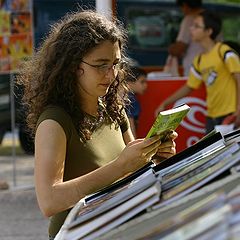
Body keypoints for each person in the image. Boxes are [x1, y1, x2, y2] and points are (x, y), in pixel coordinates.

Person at [16, 10, 177, 239]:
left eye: (116, 63)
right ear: (73, 65)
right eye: (101, 65)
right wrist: (121, 166)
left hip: (119, 227)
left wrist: (155, 157)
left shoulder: (114, 108)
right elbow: (49, 201)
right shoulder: (55, 120)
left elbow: (132, 174)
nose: (111, 74)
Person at [155, 10, 240, 134]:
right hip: (211, 116)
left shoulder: (225, 52)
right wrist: (165, 103)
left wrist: (239, 109)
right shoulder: (199, 60)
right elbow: (190, 86)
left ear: (208, 31)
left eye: (196, 26)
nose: (191, 29)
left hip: (230, 115)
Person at [168, 0, 204, 75]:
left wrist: (172, 48)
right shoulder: (213, 19)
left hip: (193, 69)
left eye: (196, 26)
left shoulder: (190, 19)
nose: (192, 29)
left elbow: (179, 48)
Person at [126, 66, 148, 138]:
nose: (146, 85)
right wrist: (133, 141)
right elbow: (130, 122)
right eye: (142, 82)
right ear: (130, 82)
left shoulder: (130, 97)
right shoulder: (130, 100)